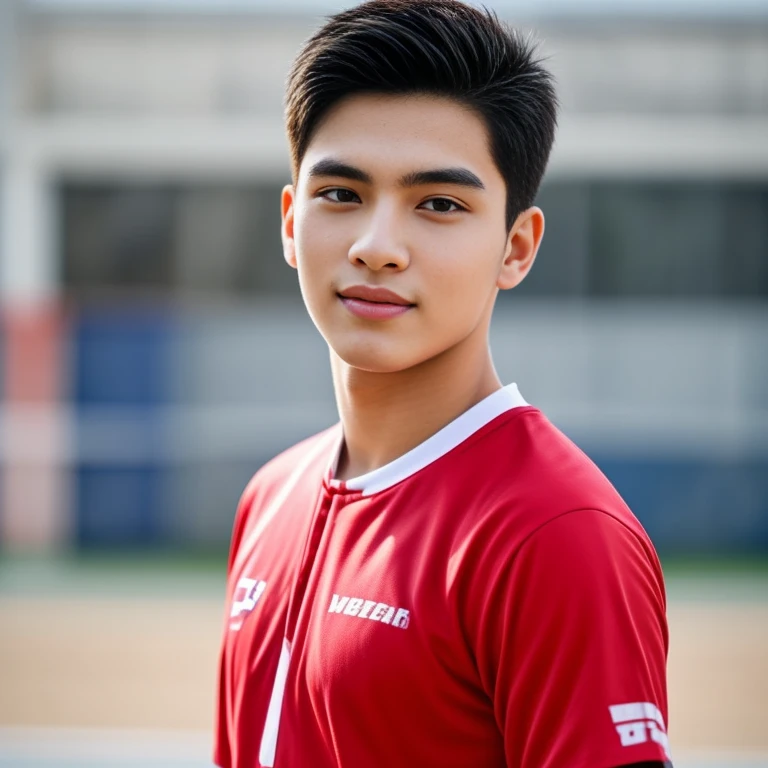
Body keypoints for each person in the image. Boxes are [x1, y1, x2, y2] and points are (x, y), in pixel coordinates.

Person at [214, 1, 672, 766]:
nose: (377, 246)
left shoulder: (556, 534)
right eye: (341, 194)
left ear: (516, 248)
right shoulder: (270, 496)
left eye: (438, 204)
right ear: (291, 223)